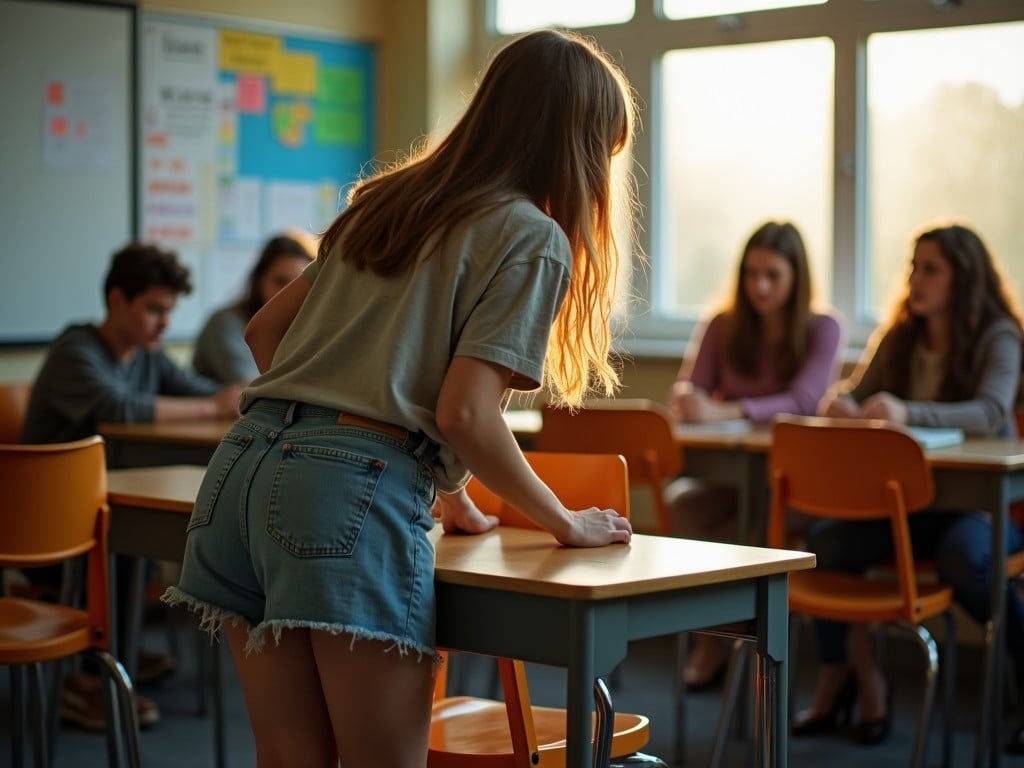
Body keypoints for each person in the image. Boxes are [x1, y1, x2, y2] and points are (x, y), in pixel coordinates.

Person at [161, 28, 636, 768]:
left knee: (290, 759)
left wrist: (438, 490)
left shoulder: (388, 202)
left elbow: (266, 337)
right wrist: (564, 520)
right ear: (574, 146)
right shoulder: (530, 234)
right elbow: (464, 412)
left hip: (241, 477)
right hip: (340, 505)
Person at [798, 223, 1024, 747]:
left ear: (963, 279)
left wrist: (904, 411)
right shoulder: (900, 332)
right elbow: (856, 392)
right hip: (905, 508)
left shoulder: (999, 335)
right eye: (913, 268)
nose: (915, 280)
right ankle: (845, 677)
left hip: (983, 509)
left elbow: (991, 413)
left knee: (967, 560)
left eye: (931, 270)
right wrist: (843, 405)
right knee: (826, 544)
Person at [21, 241, 245, 731]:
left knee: (129, 524)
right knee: (121, 534)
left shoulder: (148, 355)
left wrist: (225, 396)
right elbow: (116, 406)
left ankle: (109, 648)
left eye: (169, 311)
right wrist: (213, 407)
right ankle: (89, 674)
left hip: (97, 504)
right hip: (42, 524)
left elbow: (193, 388)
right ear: (117, 301)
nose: (164, 324)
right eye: (153, 310)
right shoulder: (75, 351)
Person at [666, 220, 845, 689]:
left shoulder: (823, 327)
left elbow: (806, 401)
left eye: (773, 275)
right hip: (735, 480)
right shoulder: (723, 325)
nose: (760, 286)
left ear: (796, 278)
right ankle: (712, 640)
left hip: (797, 485)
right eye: (751, 274)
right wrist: (689, 401)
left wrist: (726, 409)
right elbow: (689, 393)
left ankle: (748, 628)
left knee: (760, 531)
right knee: (683, 503)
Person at [192, 232, 315, 383]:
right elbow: (257, 388)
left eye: (296, 286)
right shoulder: (225, 323)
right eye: (280, 282)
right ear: (258, 282)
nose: (287, 293)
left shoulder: (301, 329)